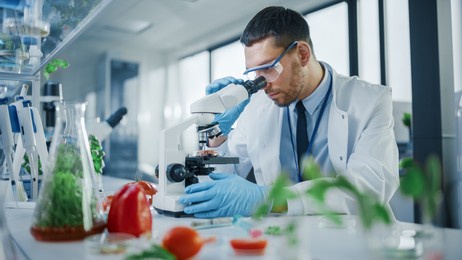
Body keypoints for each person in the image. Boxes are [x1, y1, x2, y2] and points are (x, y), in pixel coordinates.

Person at [179, 6, 399, 218]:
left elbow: (368, 188)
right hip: (285, 242)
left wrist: (269, 199)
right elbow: (226, 180)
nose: (262, 83)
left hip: (355, 241)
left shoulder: (370, 101)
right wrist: (218, 131)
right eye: (255, 73)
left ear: (302, 54)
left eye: (268, 68)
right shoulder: (257, 105)